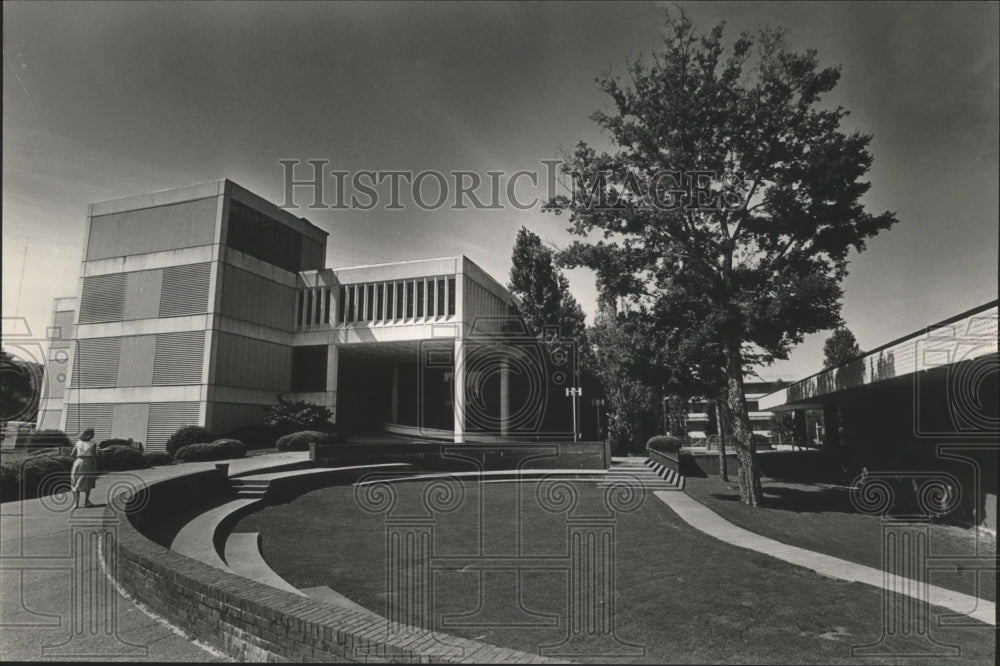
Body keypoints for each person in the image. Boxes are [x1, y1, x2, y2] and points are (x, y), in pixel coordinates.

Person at [71, 428, 98, 508]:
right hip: (88, 462)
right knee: (88, 481)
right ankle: (86, 501)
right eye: (92, 433)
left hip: (78, 462)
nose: (93, 435)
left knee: (76, 482)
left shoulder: (78, 442)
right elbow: (93, 456)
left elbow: (72, 454)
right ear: (89, 434)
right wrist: (95, 465)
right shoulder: (93, 443)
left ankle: (76, 503)